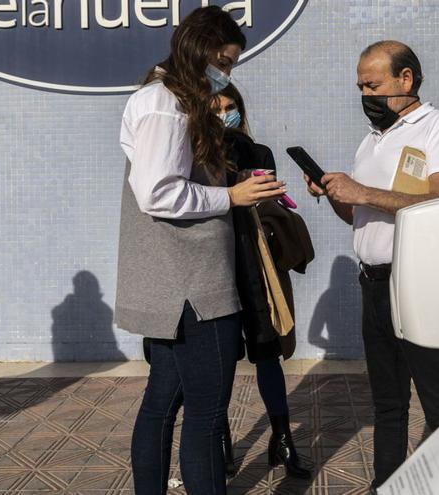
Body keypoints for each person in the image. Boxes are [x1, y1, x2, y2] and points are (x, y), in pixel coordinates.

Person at [115, 7, 286, 495]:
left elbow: (173, 179)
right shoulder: (163, 105)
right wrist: (229, 196)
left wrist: (233, 181)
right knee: (207, 416)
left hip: (178, 286)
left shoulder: (170, 100)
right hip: (193, 288)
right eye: (226, 63)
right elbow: (158, 193)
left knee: (162, 404)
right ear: (202, 51)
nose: (227, 75)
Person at [305, 40, 439, 489]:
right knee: (388, 402)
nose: (366, 96)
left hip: (421, 281)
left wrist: (364, 192)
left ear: (406, 79)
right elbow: (361, 216)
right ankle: (388, 484)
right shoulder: (373, 139)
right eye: (360, 87)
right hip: (374, 283)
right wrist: (339, 196)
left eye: (374, 85)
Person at [211, 83, 311, 479]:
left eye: (231, 107)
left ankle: (282, 438)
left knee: (267, 349)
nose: (225, 115)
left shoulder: (258, 151)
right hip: (215, 262)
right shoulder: (195, 155)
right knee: (219, 358)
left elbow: (265, 202)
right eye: (217, 108)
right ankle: (220, 440)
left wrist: (270, 196)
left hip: (255, 262)